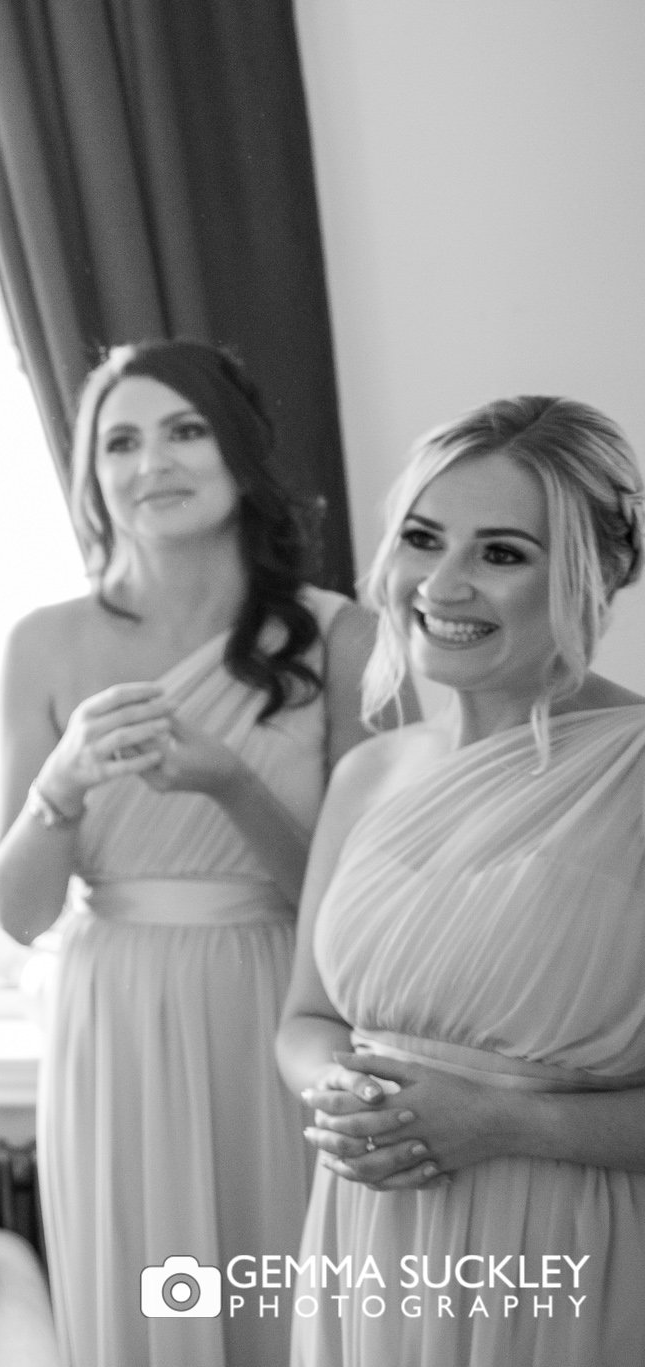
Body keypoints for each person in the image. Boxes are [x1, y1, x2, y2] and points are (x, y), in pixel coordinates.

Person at [0, 340, 381, 1367]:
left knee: (285, 1289)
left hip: (277, 999)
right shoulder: (43, 642)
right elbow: (17, 910)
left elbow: (359, 911)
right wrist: (60, 784)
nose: (148, 461)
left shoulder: (340, 639)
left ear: (239, 452)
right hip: (110, 1009)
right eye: (118, 441)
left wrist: (230, 783)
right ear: (90, 476)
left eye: (182, 430)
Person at [277, 396, 645, 1366]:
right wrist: (342, 1095)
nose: (439, 583)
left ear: (599, 569)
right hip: (369, 1239)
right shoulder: (367, 771)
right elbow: (306, 1017)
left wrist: (504, 1117)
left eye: (501, 552)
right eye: (421, 538)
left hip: (568, 1248)